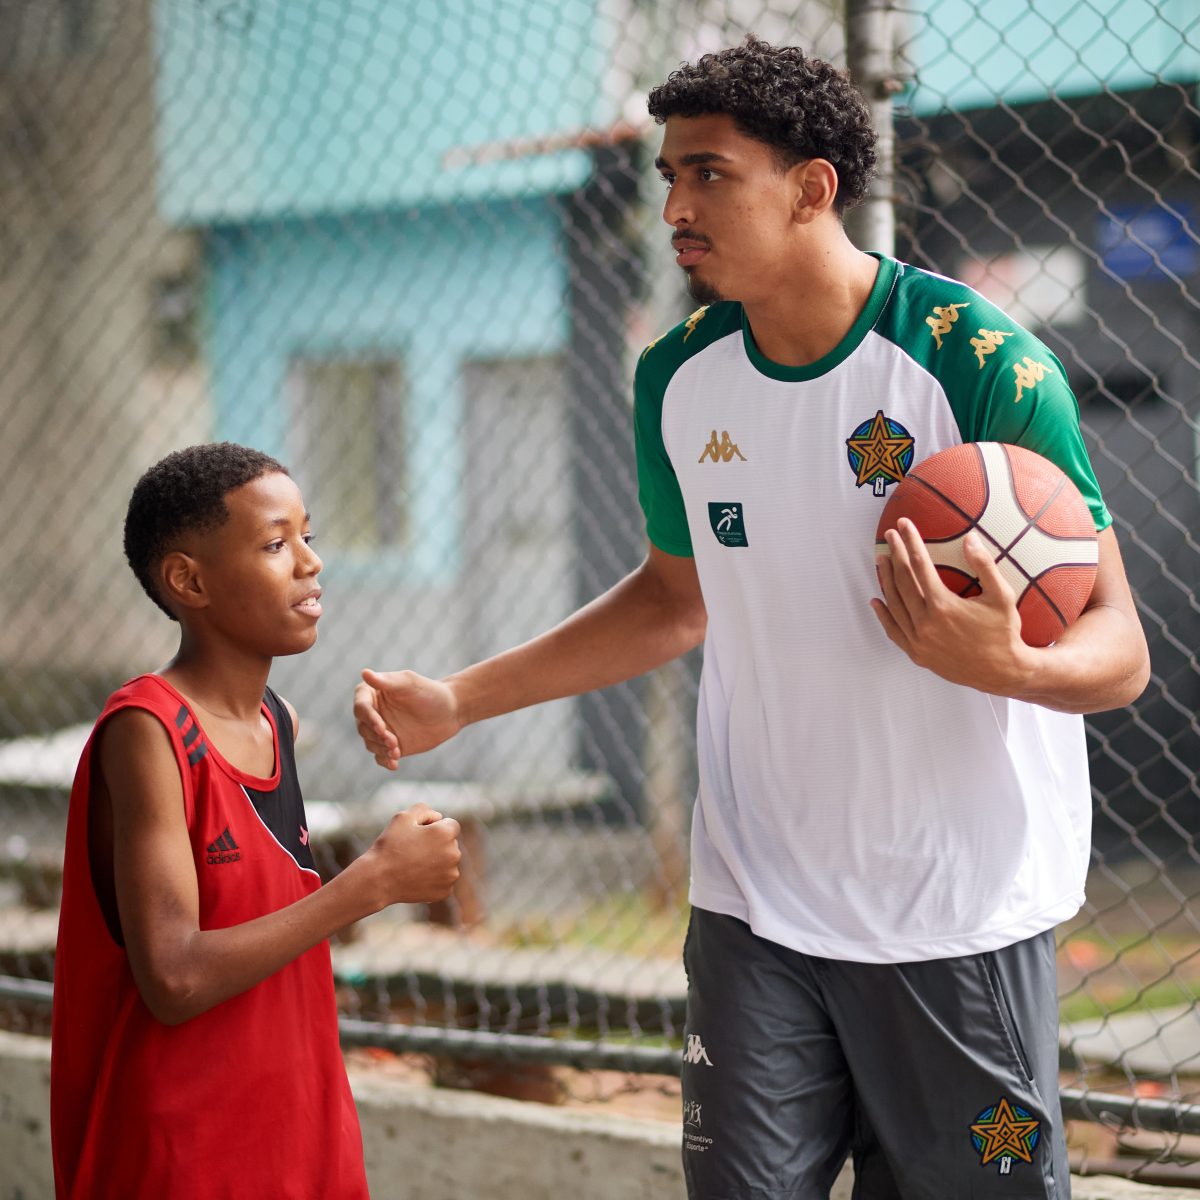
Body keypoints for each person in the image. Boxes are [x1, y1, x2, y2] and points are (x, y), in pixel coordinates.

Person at [353, 38, 1150, 1200]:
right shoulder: (676, 376)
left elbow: (1120, 650)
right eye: (669, 175)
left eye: (710, 174)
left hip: (955, 910)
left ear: (812, 187)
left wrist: (1011, 664)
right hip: (756, 905)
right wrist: (461, 699)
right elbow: (674, 600)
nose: (675, 206)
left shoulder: (977, 363)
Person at [51, 443, 462, 1200]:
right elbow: (174, 977)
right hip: (186, 1155)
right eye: (276, 544)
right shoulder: (150, 732)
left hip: (301, 1135)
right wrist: (371, 884)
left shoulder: (279, 723)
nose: (310, 562)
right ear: (189, 580)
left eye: (309, 536)